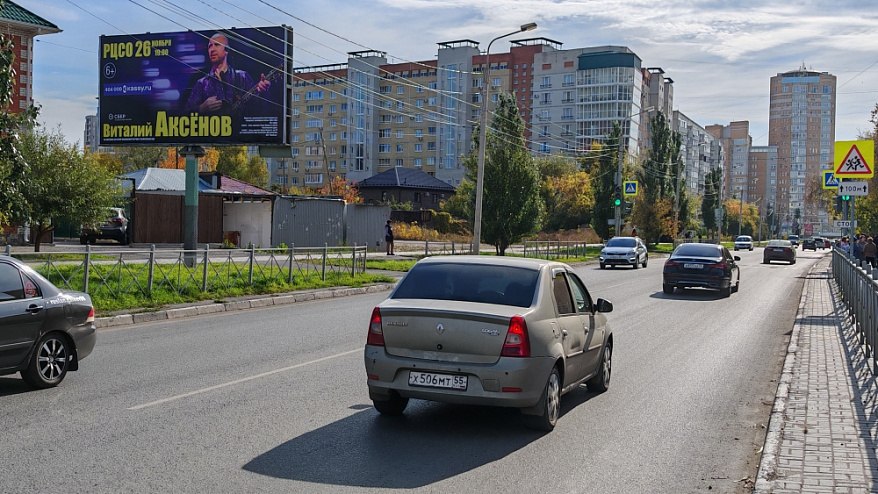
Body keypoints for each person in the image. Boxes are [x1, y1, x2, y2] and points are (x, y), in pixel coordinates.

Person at [184, 33, 271, 116]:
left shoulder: (242, 77)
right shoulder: (202, 83)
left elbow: (258, 108)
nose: (212, 49)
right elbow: (185, 114)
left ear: (226, 50)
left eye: (217, 45)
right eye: (210, 46)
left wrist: (263, 92)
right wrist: (201, 108)